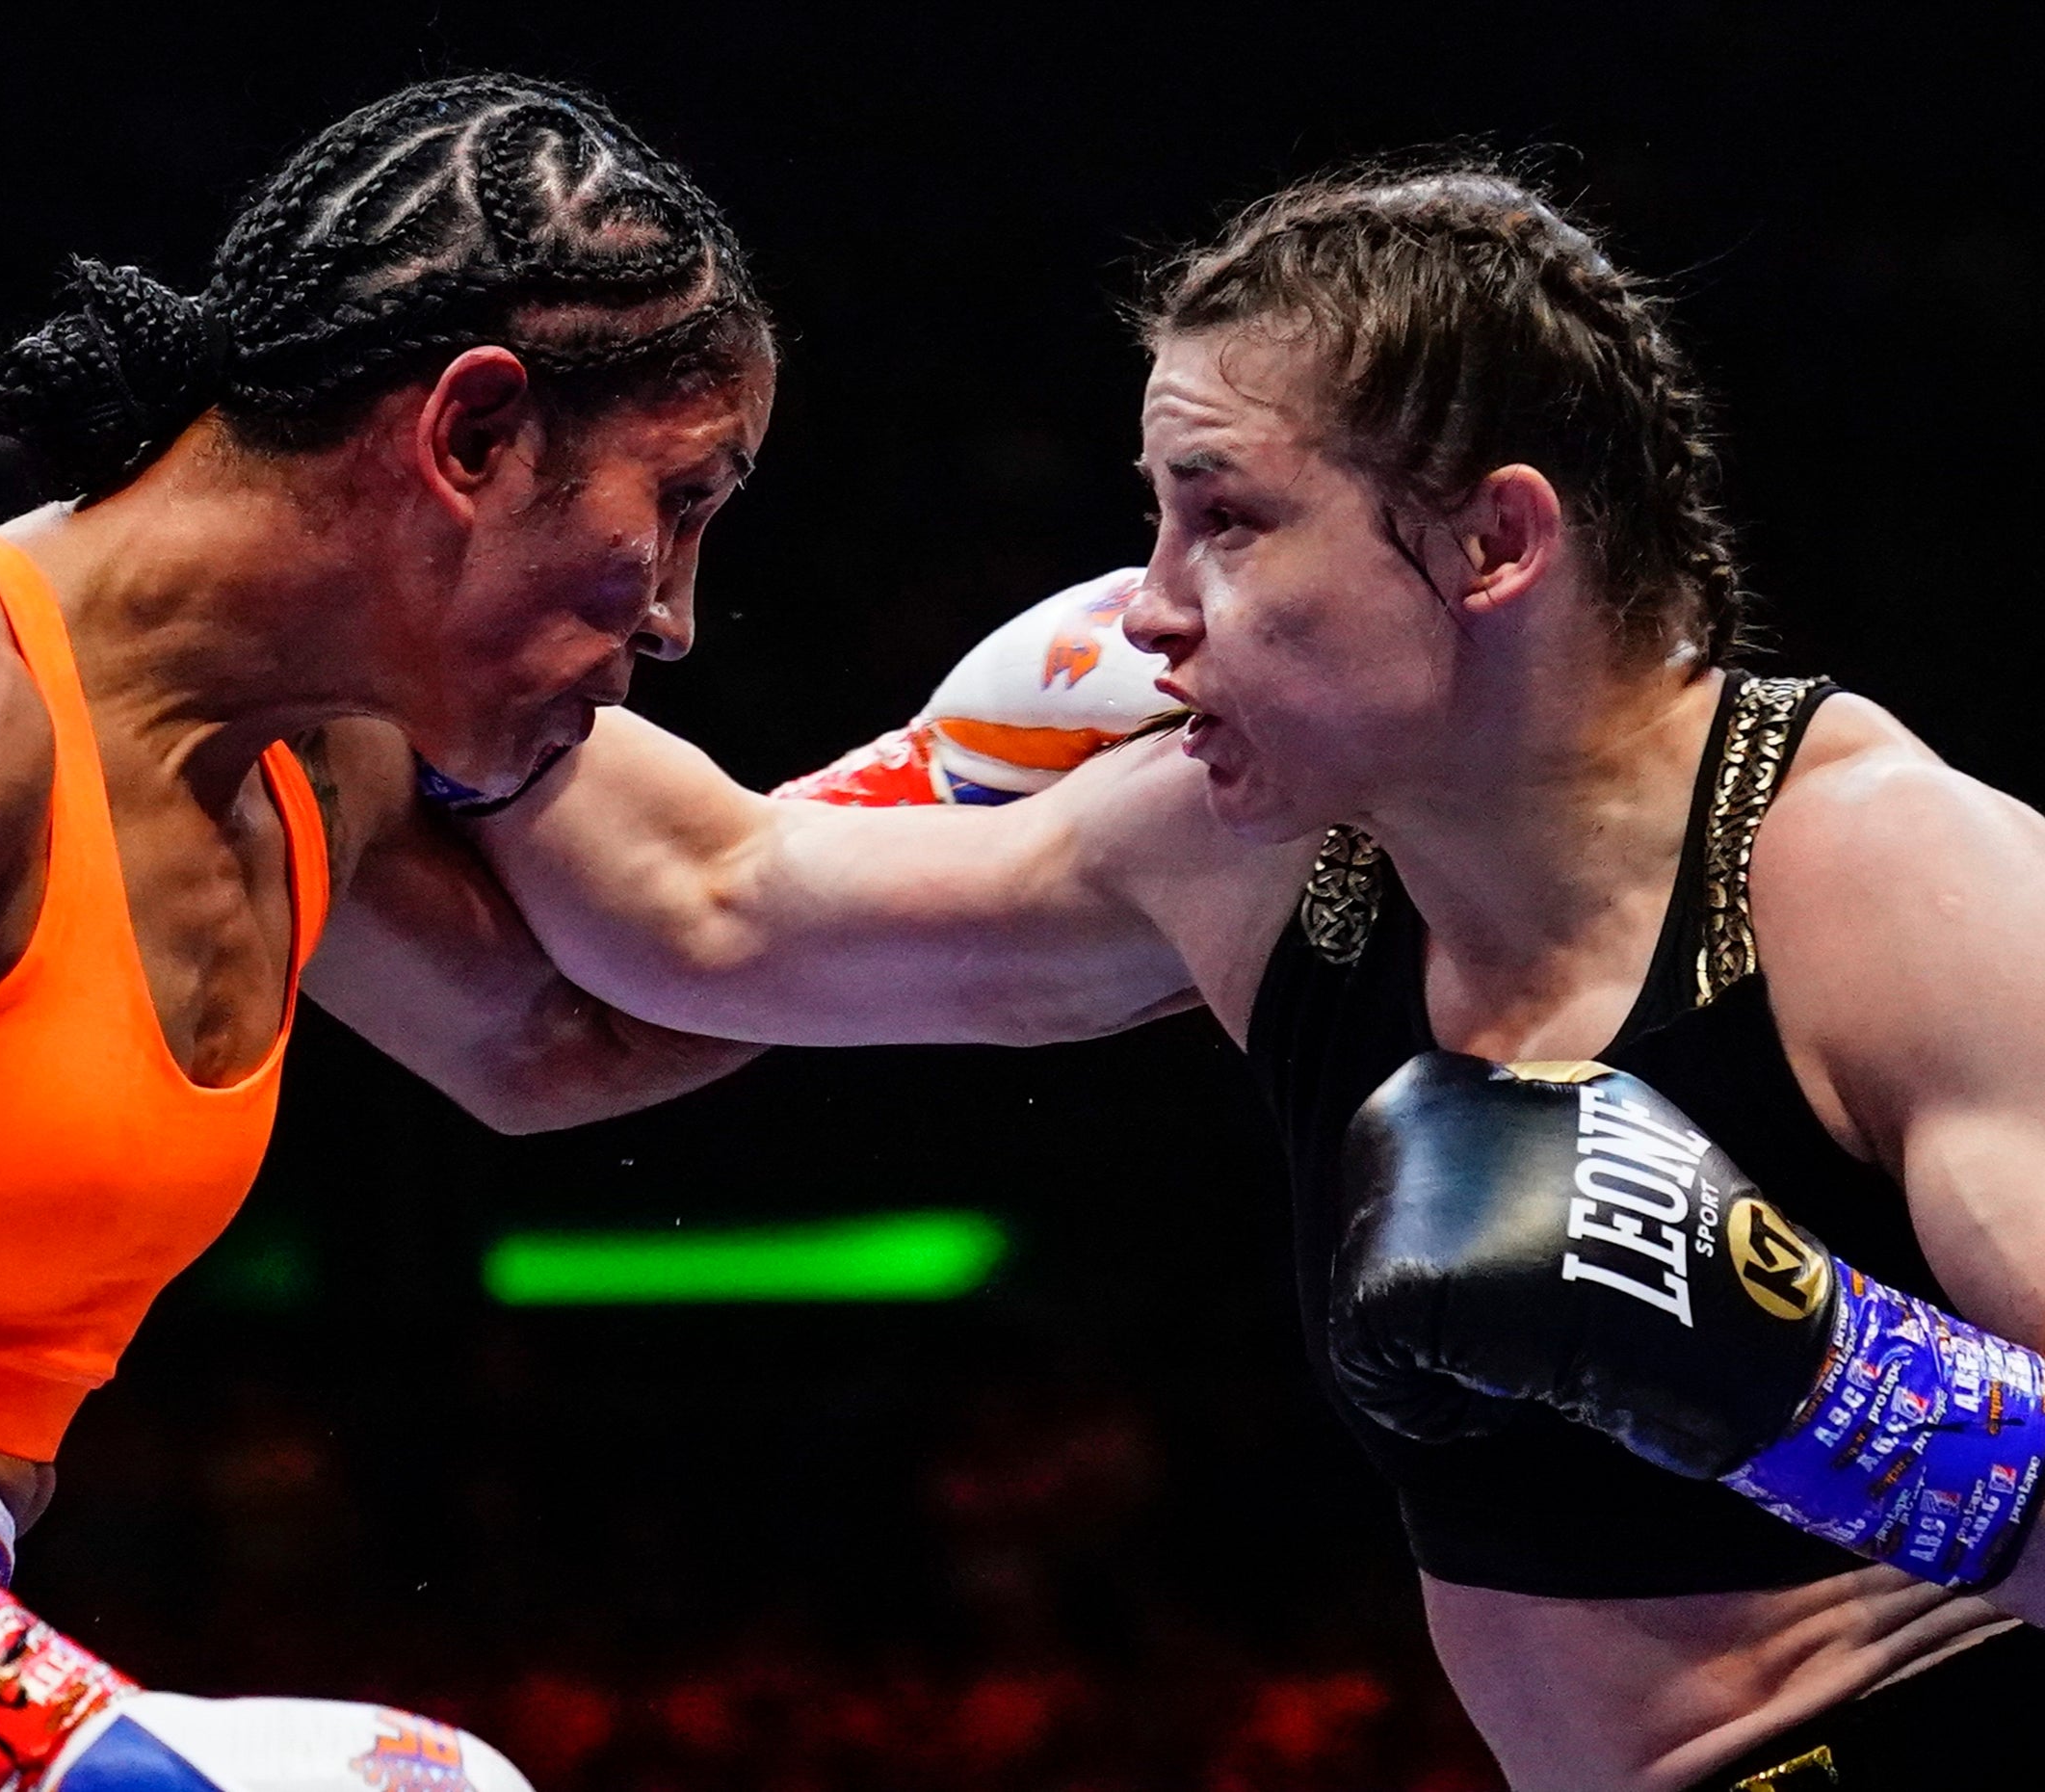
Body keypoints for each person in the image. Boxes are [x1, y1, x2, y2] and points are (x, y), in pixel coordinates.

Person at [463, 164, 2045, 1788]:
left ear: (1495, 541)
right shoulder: (1267, 860)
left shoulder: (1894, 883)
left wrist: (1822, 1375)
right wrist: (405, 641)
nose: (1147, 608)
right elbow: (709, 909)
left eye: (1226, 516)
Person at [0, 75, 778, 1792]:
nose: (683, 613)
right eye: (680, 503)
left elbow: (583, 1027)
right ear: (471, 439)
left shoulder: (308, 761)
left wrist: (1109, 802)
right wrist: (18, 1729)